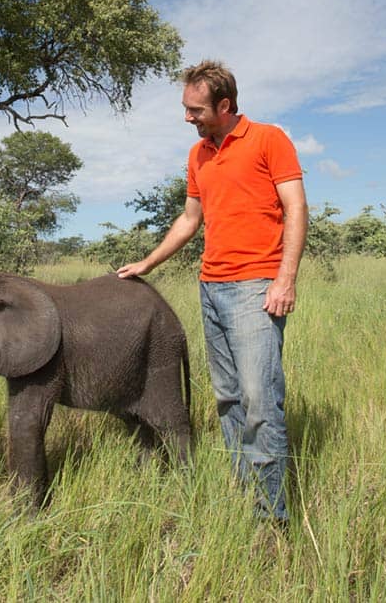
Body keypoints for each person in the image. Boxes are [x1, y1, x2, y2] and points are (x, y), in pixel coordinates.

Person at [117, 60, 307, 523]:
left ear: (224, 105)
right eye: (185, 108)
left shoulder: (269, 139)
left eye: (195, 109)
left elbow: (296, 208)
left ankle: (273, 518)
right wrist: (148, 262)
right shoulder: (198, 155)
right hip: (211, 287)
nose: (188, 118)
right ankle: (245, 496)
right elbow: (189, 218)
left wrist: (285, 278)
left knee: (260, 400)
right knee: (227, 398)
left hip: (256, 288)